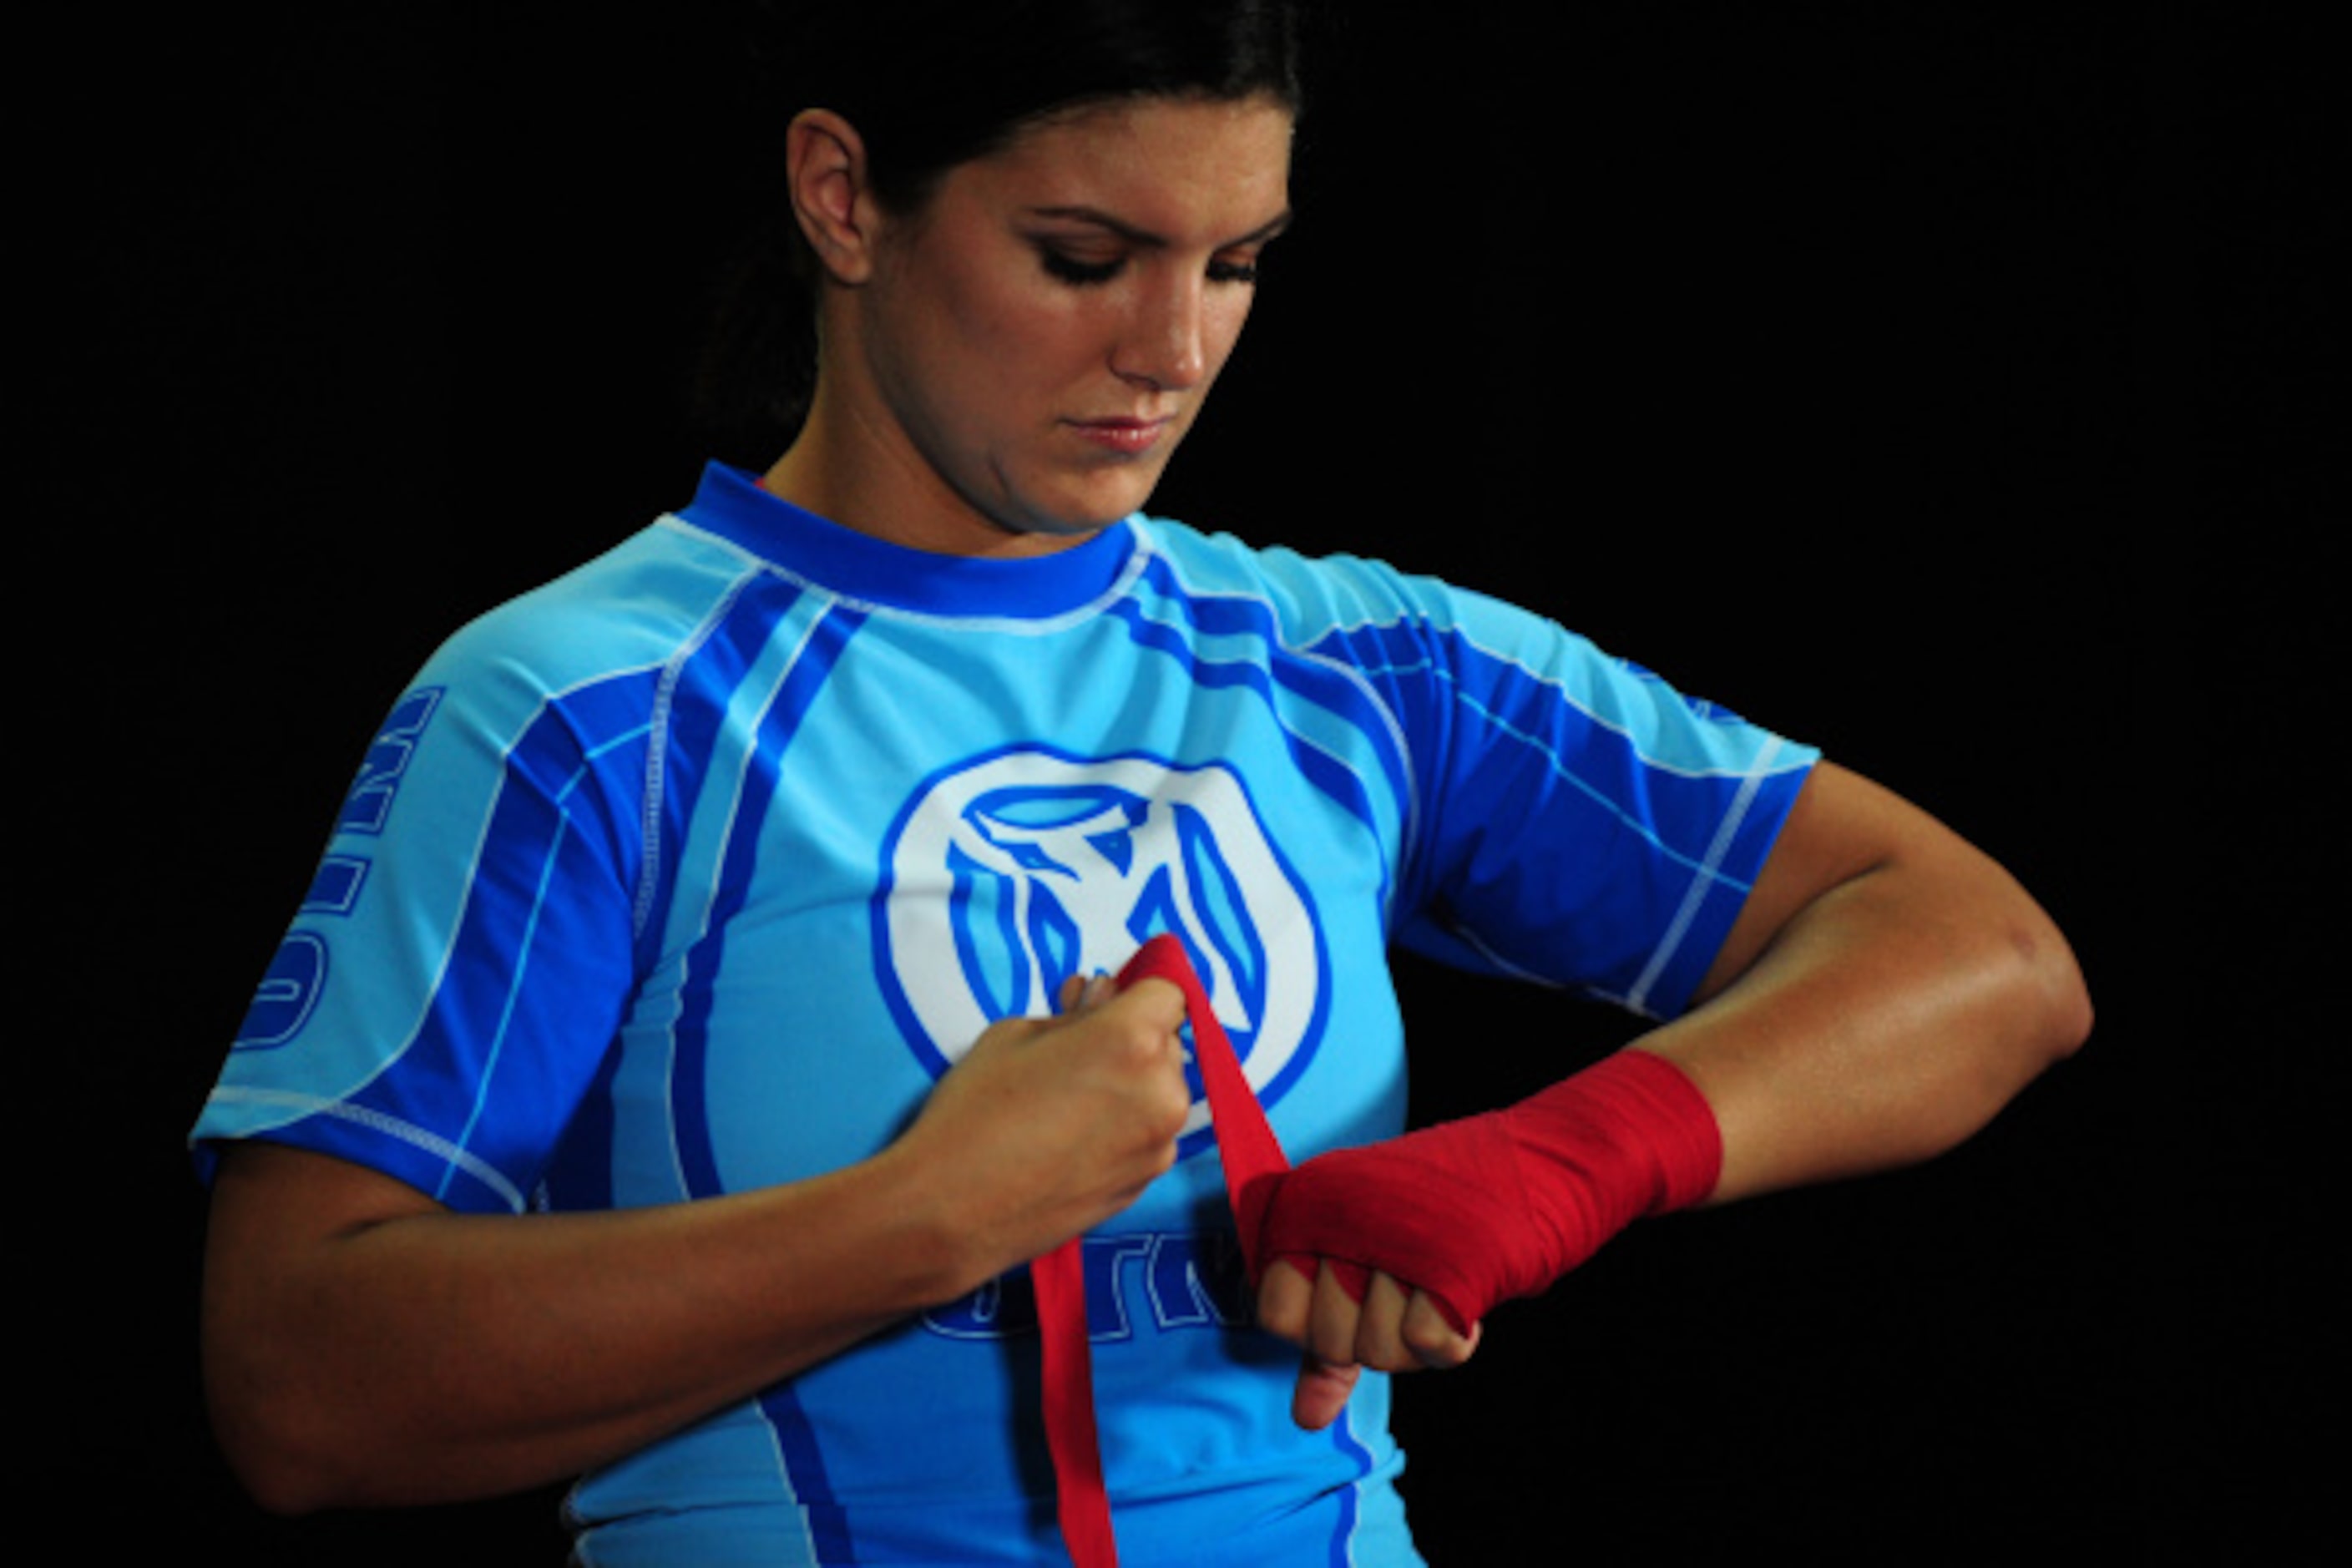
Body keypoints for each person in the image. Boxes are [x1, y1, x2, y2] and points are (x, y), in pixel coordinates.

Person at [191, 3, 2093, 1563]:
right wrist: (928, 1215)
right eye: (1081, 260)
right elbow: (299, 1387)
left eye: (1235, 265)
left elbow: (1980, 959)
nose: (1168, 353)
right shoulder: (585, 703)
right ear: (842, 197)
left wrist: (1550, 1165)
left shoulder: (1352, 664)